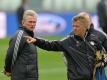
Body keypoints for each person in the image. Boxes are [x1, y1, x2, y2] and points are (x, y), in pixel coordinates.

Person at [25, 12, 107, 80]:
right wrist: (37, 41)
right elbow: (51, 45)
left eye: (77, 26)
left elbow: (103, 56)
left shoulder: (94, 40)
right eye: (73, 26)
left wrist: (103, 62)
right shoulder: (68, 41)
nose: (74, 28)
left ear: (84, 27)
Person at [4, 10, 38, 80]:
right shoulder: (20, 34)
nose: (32, 24)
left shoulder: (30, 36)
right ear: (23, 22)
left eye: (34, 22)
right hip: (21, 77)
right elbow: (11, 53)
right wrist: (8, 69)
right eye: (30, 22)